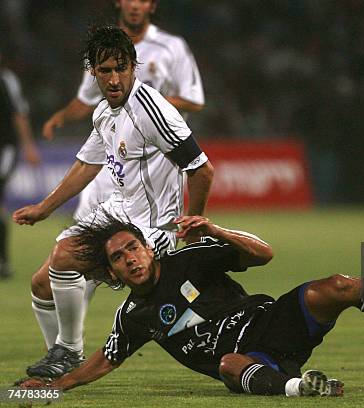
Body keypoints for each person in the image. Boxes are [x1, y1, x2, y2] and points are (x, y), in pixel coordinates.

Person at [17, 214, 364, 397]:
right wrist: (52, 387)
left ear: (147, 248)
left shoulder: (190, 259)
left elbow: (264, 255)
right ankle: (303, 388)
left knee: (340, 285)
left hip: (272, 323)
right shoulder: (133, 317)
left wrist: (217, 231)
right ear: (113, 274)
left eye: (132, 248)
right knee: (227, 364)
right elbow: (103, 361)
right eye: (118, 258)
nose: (130, 259)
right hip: (248, 359)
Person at [12, 24, 214, 379]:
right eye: (105, 70)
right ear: (94, 73)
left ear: (134, 67)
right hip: (120, 215)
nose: (115, 78)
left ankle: (70, 352)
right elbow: (87, 164)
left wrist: (192, 227)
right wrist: (43, 208)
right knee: (42, 283)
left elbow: (202, 170)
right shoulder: (105, 113)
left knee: (64, 257)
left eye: (122, 67)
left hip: (154, 228)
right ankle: (56, 362)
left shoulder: (151, 109)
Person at [43, 0, 204, 222]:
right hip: (114, 158)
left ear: (152, 6)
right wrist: (61, 117)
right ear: (119, 3)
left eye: (142, 0)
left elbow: (194, 100)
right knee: (80, 238)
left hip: (155, 159)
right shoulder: (102, 49)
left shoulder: (173, 47)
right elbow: (86, 100)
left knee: (137, 245)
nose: (135, 6)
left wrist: (146, 105)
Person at [0, 49, 41, 279]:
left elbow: (19, 114)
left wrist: (28, 146)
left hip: (4, 148)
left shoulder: (6, 80)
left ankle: (3, 262)